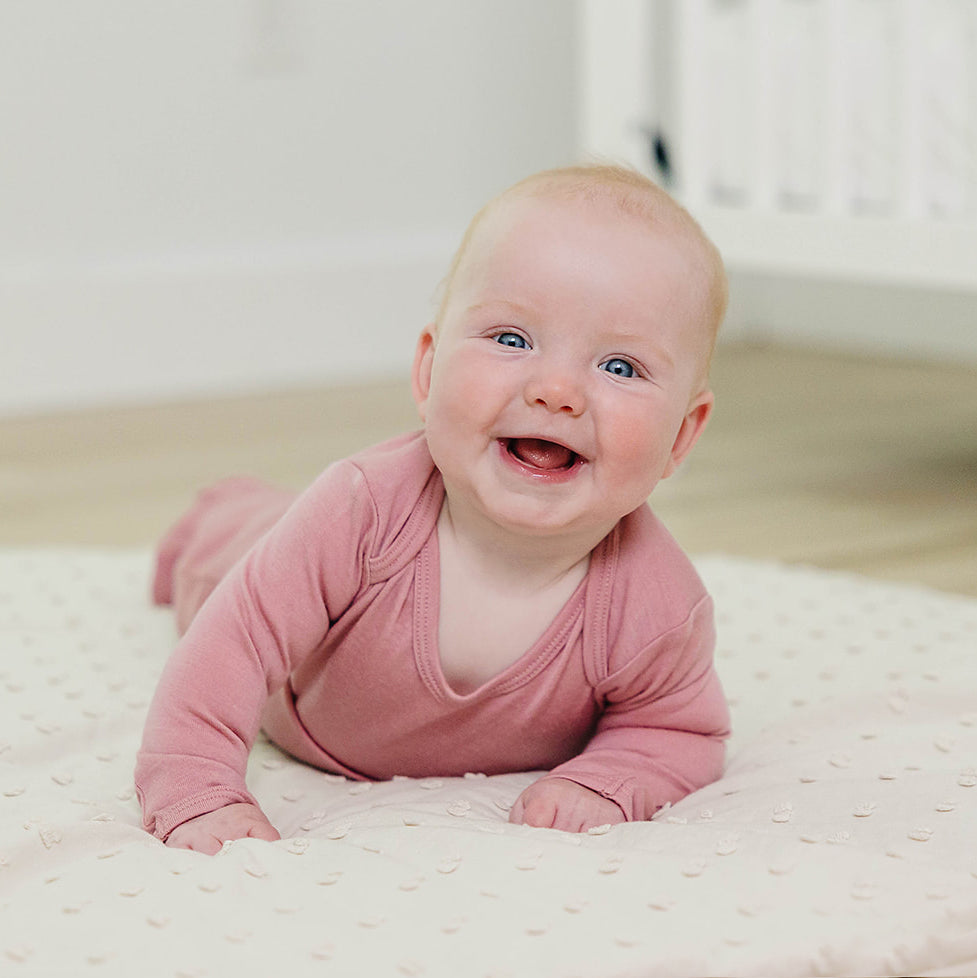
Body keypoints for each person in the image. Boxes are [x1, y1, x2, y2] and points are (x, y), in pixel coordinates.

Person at [135, 163, 732, 853]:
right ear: (427, 371)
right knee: (229, 549)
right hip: (283, 656)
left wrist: (607, 781)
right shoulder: (361, 512)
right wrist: (196, 789)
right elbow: (233, 645)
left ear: (681, 436)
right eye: (511, 339)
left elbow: (676, 731)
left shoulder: (658, 606)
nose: (556, 391)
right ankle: (216, 511)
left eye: (620, 367)